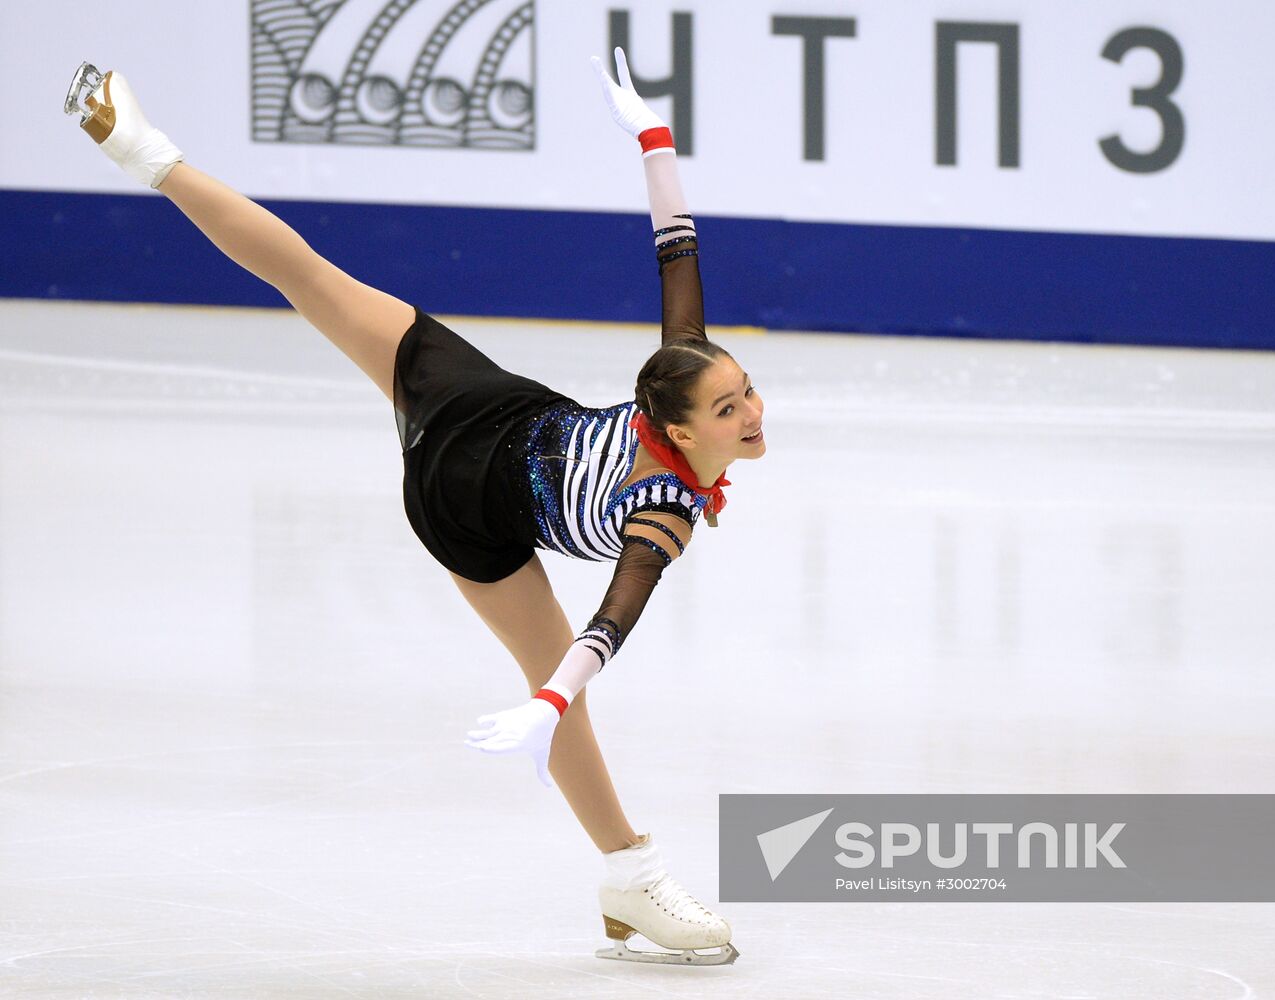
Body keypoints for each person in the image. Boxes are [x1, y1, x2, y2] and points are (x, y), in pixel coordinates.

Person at [63, 46, 762, 966]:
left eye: (745, 394)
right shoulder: (662, 505)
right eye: (729, 405)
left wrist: (654, 136)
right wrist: (551, 699)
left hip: (483, 405)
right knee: (312, 280)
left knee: (313, 281)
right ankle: (148, 152)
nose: (750, 412)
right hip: (463, 497)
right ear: (672, 418)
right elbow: (611, 621)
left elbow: (676, 246)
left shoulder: (681, 371)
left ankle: (151, 155)